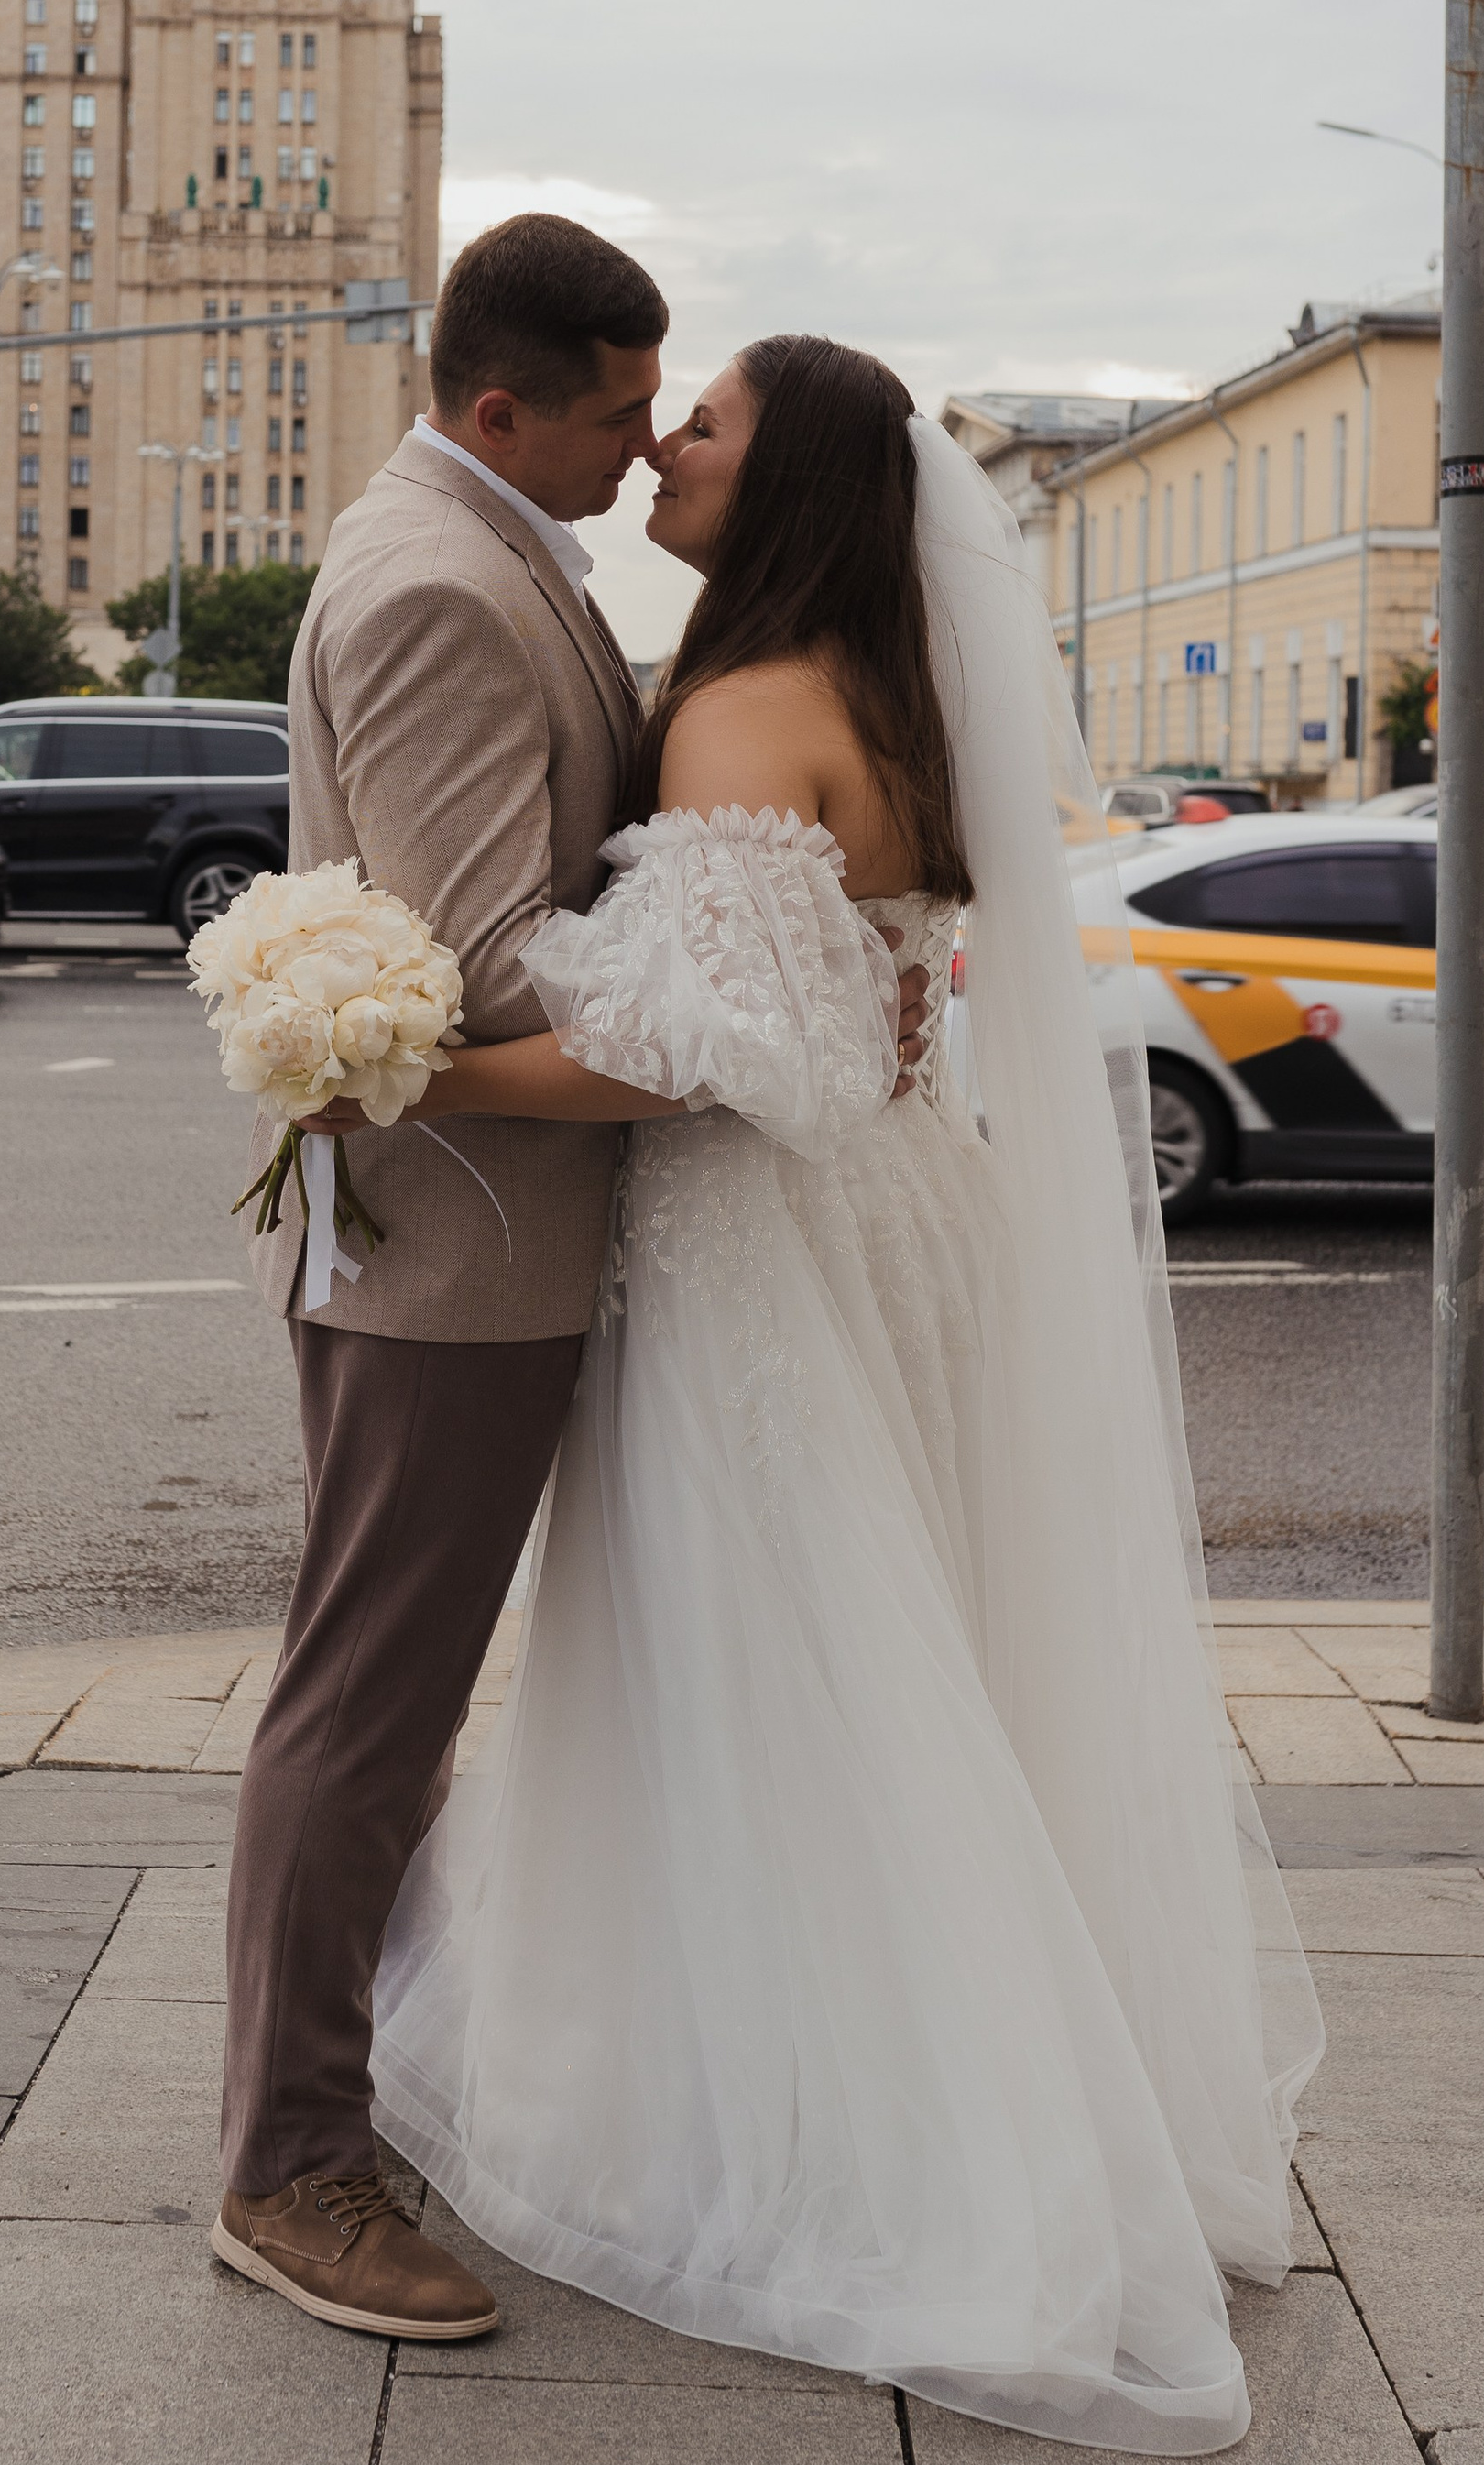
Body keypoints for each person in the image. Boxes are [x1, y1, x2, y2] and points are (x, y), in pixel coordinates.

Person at [357, 334, 1326, 2451]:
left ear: (781, 477)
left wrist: (406, 1069)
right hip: (906, 1211)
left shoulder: (740, 704)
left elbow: (699, 1054)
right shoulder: (892, 698)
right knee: (907, 1653)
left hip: (761, 1252)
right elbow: (852, 1003)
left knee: (755, 1670)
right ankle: (978, 2072)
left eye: (701, 423)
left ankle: (830, 2129)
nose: (663, 444)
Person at [213, 227, 944, 2342]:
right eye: (626, 413)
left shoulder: (500, 547)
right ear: (499, 409)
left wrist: (803, 973)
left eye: (676, 415)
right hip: (454, 1235)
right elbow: (475, 959)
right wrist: (763, 1000)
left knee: (400, 1702)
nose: (645, 449)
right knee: (367, 1704)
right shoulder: (440, 581)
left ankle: (363, 2085)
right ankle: (286, 2164)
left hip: (521, 1225)